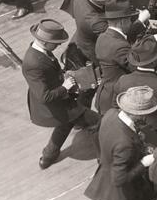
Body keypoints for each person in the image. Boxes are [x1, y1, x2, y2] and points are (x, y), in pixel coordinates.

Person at [22, 19, 101, 169]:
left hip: (60, 103)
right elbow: (44, 96)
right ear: (45, 42)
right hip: (58, 105)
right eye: (56, 42)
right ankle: (103, 156)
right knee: (100, 122)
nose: (59, 45)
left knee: (65, 125)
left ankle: (48, 156)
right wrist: (65, 87)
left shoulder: (42, 52)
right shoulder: (33, 63)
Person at [85, 86, 157, 200]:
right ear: (138, 115)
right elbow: (120, 179)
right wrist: (144, 162)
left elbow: (98, 136)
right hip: (124, 189)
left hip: (109, 171)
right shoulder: (124, 143)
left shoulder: (111, 114)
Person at [95, 0, 148, 114]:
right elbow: (137, 68)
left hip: (104, 95)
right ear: (122, 21)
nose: (130, 23)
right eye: (129, 20)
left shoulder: (103, 37)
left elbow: (124, 38)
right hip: (115, 101)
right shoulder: (119, 46)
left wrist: (139, 23)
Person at [71, 0, 119, 66]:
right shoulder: (95, 21)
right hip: (93, 48)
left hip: (84, 36)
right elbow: (115, 36)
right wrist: (139, 22)